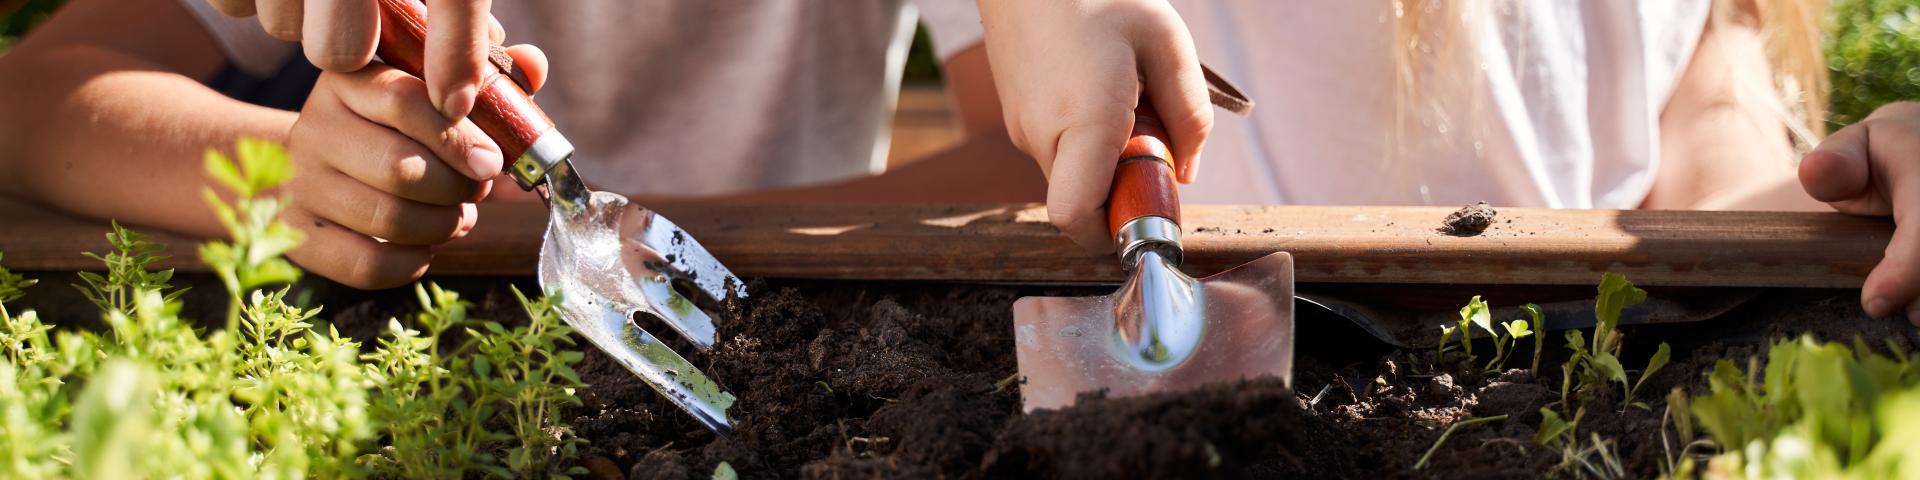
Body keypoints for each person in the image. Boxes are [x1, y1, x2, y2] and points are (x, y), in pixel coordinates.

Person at [975, 0, 1920, 326]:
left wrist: (1850, 192)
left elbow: (1705, 122)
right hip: (1246, 349)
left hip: (1585, 360)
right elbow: (1015, 127)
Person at [0, 0, 1030, 289]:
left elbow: (1025, 151)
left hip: (784, 285)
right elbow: (31, 96)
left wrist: (651, 233)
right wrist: (285, 181)